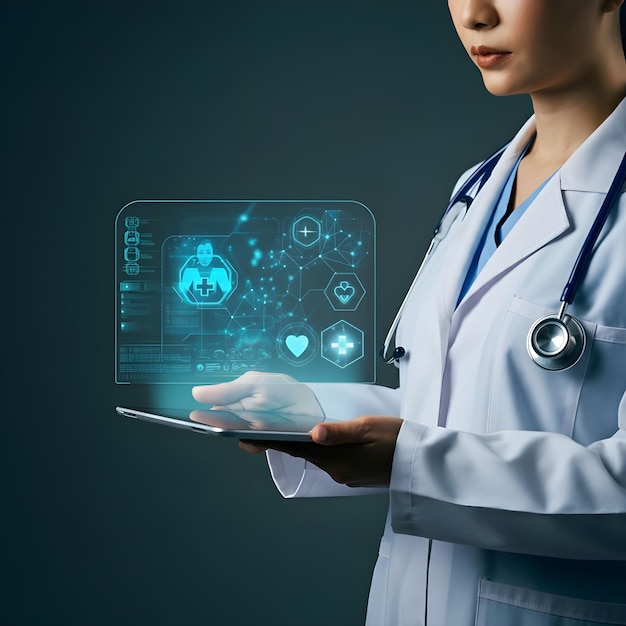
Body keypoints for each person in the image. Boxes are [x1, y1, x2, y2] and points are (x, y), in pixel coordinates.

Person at [193, 1, 626, 624]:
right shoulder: (477, 191)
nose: (474, 15)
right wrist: (315, 417)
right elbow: (453, 409)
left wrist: (413, 461)